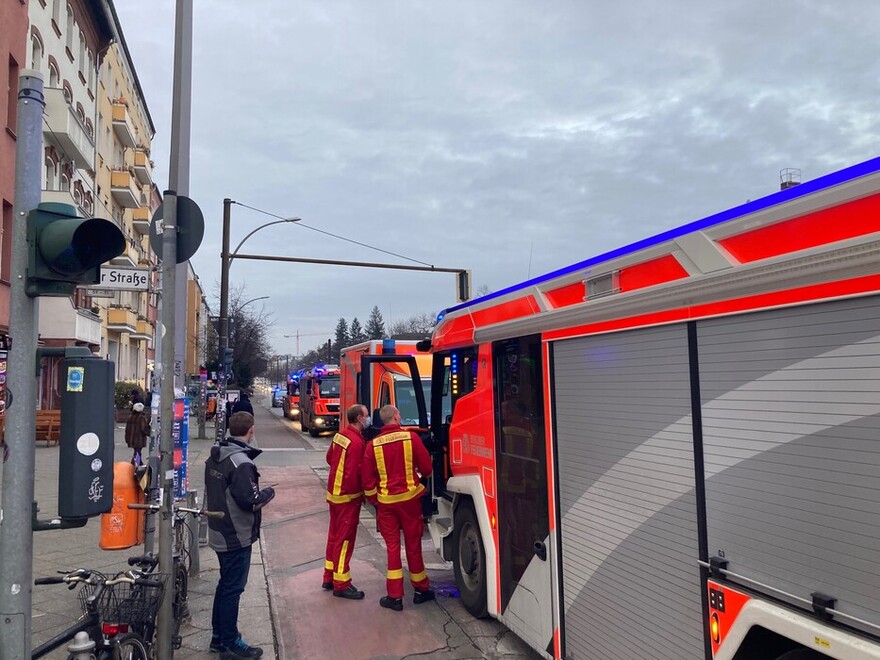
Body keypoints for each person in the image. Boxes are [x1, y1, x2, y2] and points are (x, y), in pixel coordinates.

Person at [205, 411, 276, 659]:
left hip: (218, 529)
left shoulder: (216, 455)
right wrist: (268, 493)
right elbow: (250, 501)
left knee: (225, 586)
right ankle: (230, 643)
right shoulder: (241, 463)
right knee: (233, 589)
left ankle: (218, 637)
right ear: (251, 430)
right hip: (235, 533)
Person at [361, 404, 434, 611]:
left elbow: (367, 481)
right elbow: (427, 468)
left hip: (386, 505)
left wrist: (377, 500)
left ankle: (394, 596)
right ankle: (421, 589)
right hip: (410, 501)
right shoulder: (410, 438)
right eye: (399, 414)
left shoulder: (372, 446)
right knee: (413, 545)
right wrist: (417, 481)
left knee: (392, 548)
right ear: (395, 416)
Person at [322, 404, 370, 600]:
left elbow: (329, 459)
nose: (368, 419)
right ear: (359, 418)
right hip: (347, 498)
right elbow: (352, 474)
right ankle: (341, 583)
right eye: (366, 415)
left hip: (334, 493)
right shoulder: (357, 442)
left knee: (334, 535)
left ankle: (329, 576)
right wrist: (361, 494)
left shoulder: (340, 435)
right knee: (345, 540)